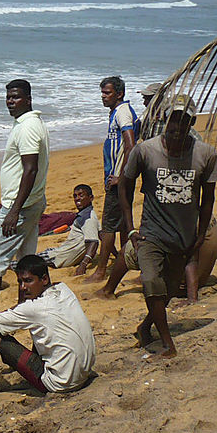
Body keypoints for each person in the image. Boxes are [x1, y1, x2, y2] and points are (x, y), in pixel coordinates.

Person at [120, 95, 217, 358]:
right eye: (173, 119)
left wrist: (200, 234)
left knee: (169, 291)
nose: (177, 126)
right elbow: (124, 186)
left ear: (192, 123)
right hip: (151, 235)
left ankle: (145, 327)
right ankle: (166, 343)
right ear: (165, 119)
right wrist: (130, 229)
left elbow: (208, 198)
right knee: (151, 282)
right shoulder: (146, 151)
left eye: (184, 120)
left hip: (184, 237)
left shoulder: (205, 154)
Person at [0, 254, 95, 406]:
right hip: (84, 372)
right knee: (37, 327)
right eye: (20, 282)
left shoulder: (33, 308)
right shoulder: (64, 289)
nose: (23, 287)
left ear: (44, 279)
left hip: (61, 383)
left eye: (28, 281)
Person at [0, 79, 50, 317]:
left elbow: (30, 170)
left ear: (28, 99)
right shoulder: (29, 122)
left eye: (16, 97)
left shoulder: (28, 128)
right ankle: (26, 309)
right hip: (32, 203)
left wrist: (13, 210)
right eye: (8, 97)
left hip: (20, 207)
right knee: (27, 259)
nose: (10, 101)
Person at [92, 215, 217, 302]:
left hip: (180, 286)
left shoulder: (183, 220)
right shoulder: (205, 214)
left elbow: (190, 259)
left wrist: (192, 298)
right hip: (201, 279)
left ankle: (108, 291)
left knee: (129, 249)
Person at [86, 76, 140, 283]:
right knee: (124, 224)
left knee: (108, 226)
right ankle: (126, 262)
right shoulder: (117, 112)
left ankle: (101, 271)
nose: (103, 97)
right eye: (102, 93)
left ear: (119, 94)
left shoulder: (123, 113)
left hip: (119, 179)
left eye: (107, 93)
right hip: (118, 177)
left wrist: (122, 176)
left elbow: (130, 145)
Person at [36, 184, 100, 276]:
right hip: (61, 253)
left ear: (91, 198)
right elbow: (102, 235)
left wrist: (83, 264)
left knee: (23, 263)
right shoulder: (88, 215)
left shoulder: (88, 218)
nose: (77, 199)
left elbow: (94, 242)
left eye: (81, 195)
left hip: (59, 257)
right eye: (75, 196)